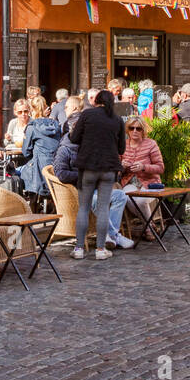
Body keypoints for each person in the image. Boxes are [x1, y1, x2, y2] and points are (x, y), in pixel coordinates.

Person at [53, 99, 133, 250]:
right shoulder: (65, 149)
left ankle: (110, 235)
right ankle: (113, 235)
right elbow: (61, 174)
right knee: (96, 200)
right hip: (77, 192)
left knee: (120, 196)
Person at [68, 89, 125, 260]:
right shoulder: (117, 120)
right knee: (103, 209)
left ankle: (79, 249)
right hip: (108, 168)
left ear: (96, 101)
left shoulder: (87, 115)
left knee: (84, 208)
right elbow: (121, 148)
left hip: (88, 167)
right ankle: (100, 250)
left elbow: (74, 138)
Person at [119, 116, 167, 236]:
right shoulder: (123, 146)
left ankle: (148, 228)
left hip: (150, 182)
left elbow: (160, 168)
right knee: (127, 197)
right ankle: (150, 224)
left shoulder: (151, 144)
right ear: (127, 130)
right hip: (130, 181)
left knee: (140, 200)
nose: (134, 131)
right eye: (132, 128)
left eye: (138, 129)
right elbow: (117, 169)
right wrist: (122, 166)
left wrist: (143, 167)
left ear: (143, 130)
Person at [18, 97, 61, 197]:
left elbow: (26, 152)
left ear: (31, 110)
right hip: (54, 169)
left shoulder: (32, 127)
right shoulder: (56, 125)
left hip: (38, 171)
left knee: (16, 171)